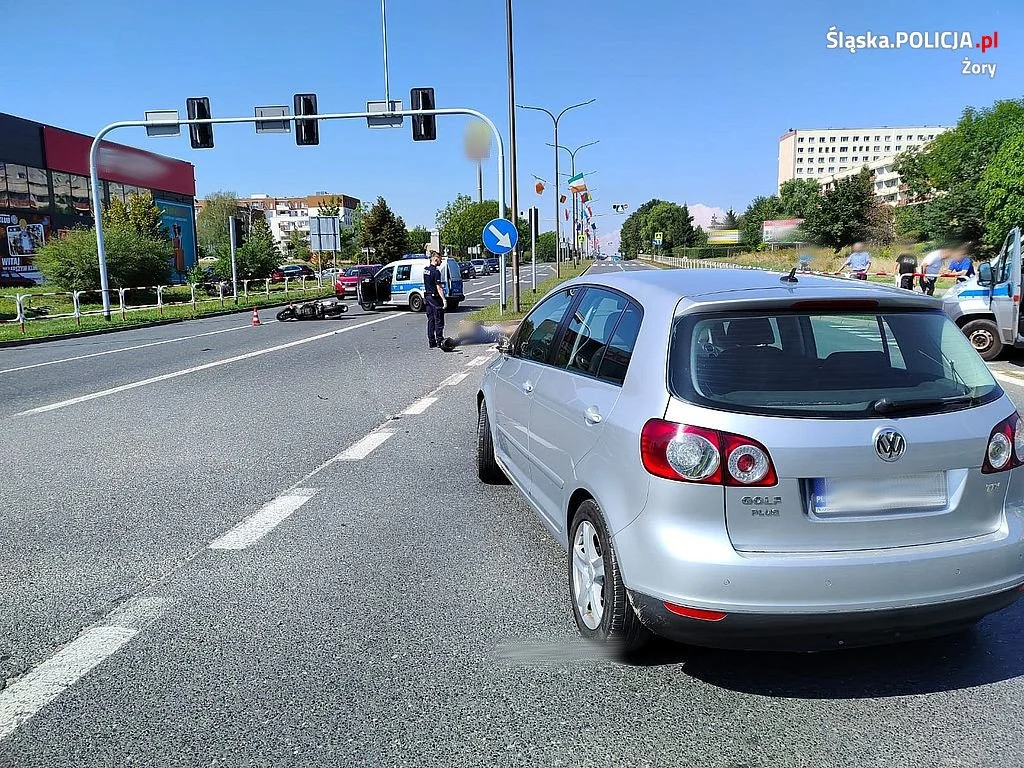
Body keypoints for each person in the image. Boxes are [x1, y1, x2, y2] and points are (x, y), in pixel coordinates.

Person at [423, 250, 448, 350]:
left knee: (430, 320)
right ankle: (439, 340)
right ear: (435, 258)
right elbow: (439, 287)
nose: (441, 262)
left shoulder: (426, 270)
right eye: (440, 260)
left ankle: (431, 341)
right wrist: (444, 300)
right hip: (434, 298)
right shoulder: (436, 272)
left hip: (427, 297)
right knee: (439, 319)